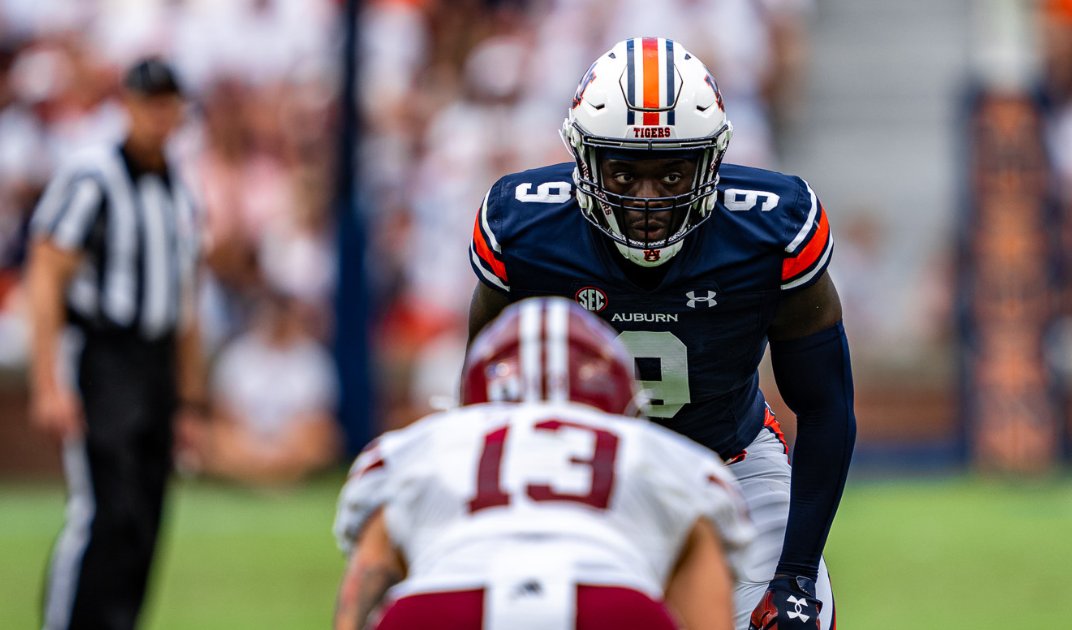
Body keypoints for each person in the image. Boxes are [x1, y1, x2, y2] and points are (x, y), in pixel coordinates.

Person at [466, 38, 856, 629]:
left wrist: (796, 571)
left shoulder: (769, 229)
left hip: (733, 465)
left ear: (711, 163)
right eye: (623, 172)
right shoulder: (526, 230)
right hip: (579, 478)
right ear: (585, 160)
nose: (648, 200)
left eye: (673, 173)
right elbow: (483, 404)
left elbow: (826, 406)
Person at [333, 297, 755, 630]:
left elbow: (372, 570)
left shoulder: (418, 448)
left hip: (441, 603)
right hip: (612, 602)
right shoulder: (669, 458)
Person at [25, 58, 204, 630]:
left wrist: (189, 399)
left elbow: (185, 302)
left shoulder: (180, 189)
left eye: (167, 102)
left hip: (154, 363)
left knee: (146, 514)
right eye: (148, 101)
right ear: (126, 105)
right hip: (105, 357)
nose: (158, 114)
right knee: (104, 509)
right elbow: (47, 272)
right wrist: (47, 381)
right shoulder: (93, 177)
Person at [176, 292, 341, 485]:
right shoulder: (238, 354)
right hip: (244, 438)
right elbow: (223, 410)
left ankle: (250, 475)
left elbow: (318, 417)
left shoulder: (313, 357)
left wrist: (280, 444)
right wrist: (254, 442)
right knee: (210, 437)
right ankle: (279, 476)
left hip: (291, 442)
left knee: (323, 438)